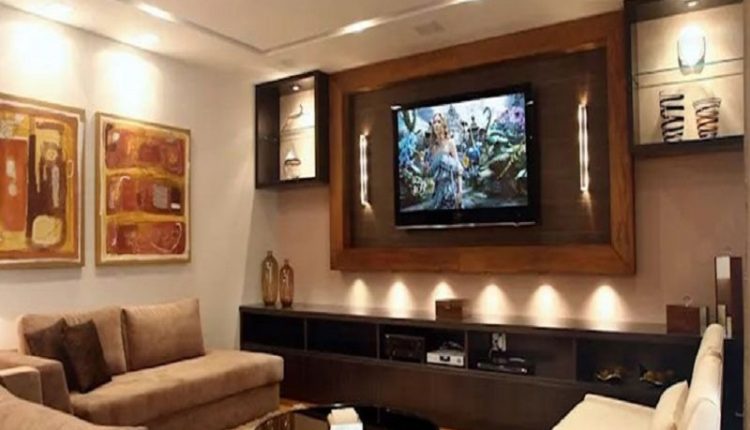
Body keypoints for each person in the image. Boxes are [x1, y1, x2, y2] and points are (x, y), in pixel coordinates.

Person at [428, 113, 463, 209]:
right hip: (438, 191)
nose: (436, 125)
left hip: (451, 190)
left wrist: (460, 192)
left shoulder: (450, 143)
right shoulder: (433, 147)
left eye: (439, 122)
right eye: (434, 122)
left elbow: (458, 169)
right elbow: (431, 172)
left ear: (443, 124)